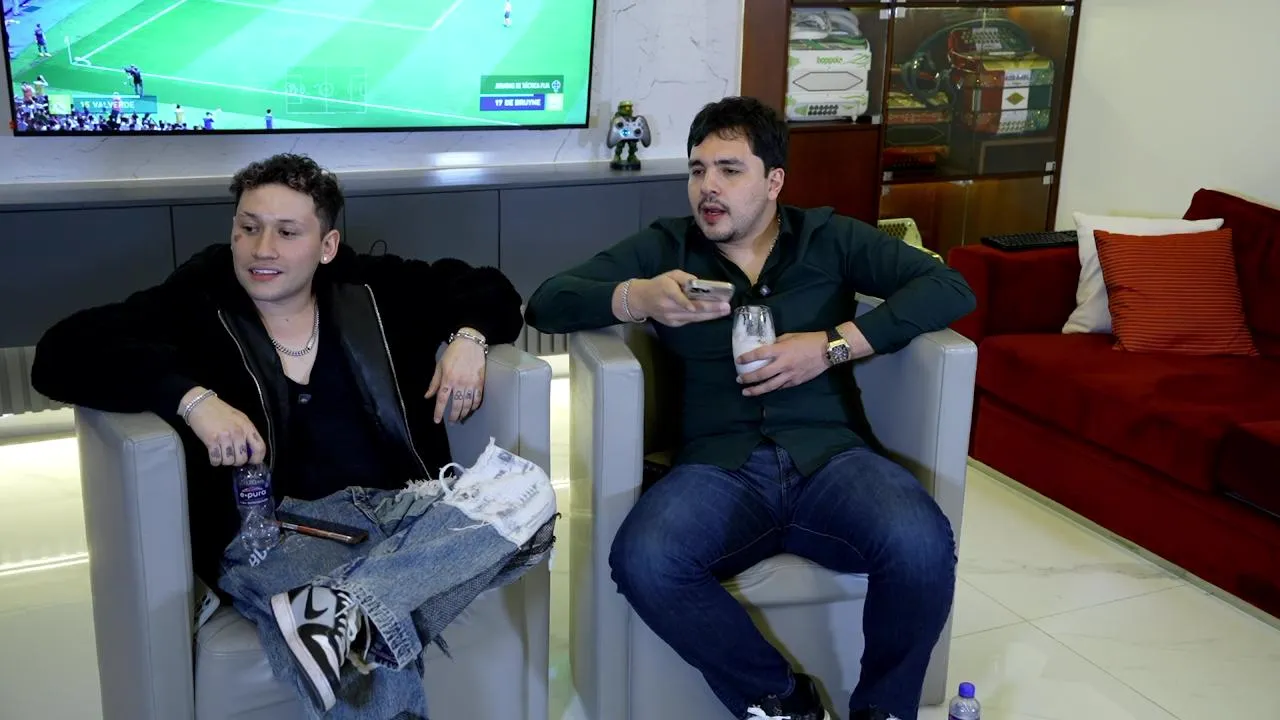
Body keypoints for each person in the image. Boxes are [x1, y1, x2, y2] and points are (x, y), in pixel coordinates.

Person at [32, 153, 556, 718]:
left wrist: (469, 339)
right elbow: (61, 352)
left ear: (326, 246)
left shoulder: (371, 288)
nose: (263, 249)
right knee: (361, 648)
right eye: (248, 228)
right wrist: (194, 401)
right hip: (279, 530)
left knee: (528, 494)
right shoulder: (195, 303)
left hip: (399, 509)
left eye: (287, 232)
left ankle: (346, 605)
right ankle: (355, 609)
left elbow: (491, 289)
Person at [524, 96, 976, 720]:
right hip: (719, 468)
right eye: (697, 170)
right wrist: (637, 297)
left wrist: (831, 346)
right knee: (644, 560)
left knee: (921, 542)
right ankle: (781, 700)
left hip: (832, 459)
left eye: (729, 169)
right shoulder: (668, 246)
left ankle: (883, 710)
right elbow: (547, 301)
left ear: (773, 181)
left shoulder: (829, 238)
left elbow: (950, 286)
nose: (707, 187)